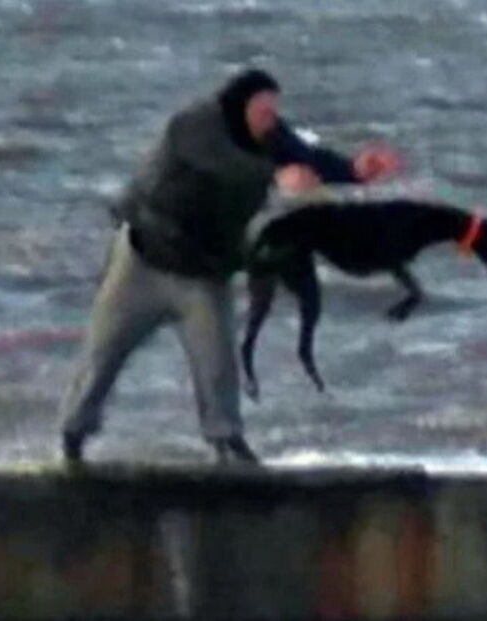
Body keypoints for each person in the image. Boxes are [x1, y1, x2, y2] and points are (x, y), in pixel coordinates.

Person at [59, 69, 400, 464]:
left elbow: (306, 160)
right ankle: (73, 436)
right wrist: (275, 175)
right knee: (103, 354)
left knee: (217, 361)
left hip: (203, 274)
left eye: (275, 110)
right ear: (239, 106)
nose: (271, 119)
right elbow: (222, 163)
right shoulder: (194, 126)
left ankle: (226, 442)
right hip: (141, 263)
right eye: (263, 110)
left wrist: (354, 171)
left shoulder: (270, 137)